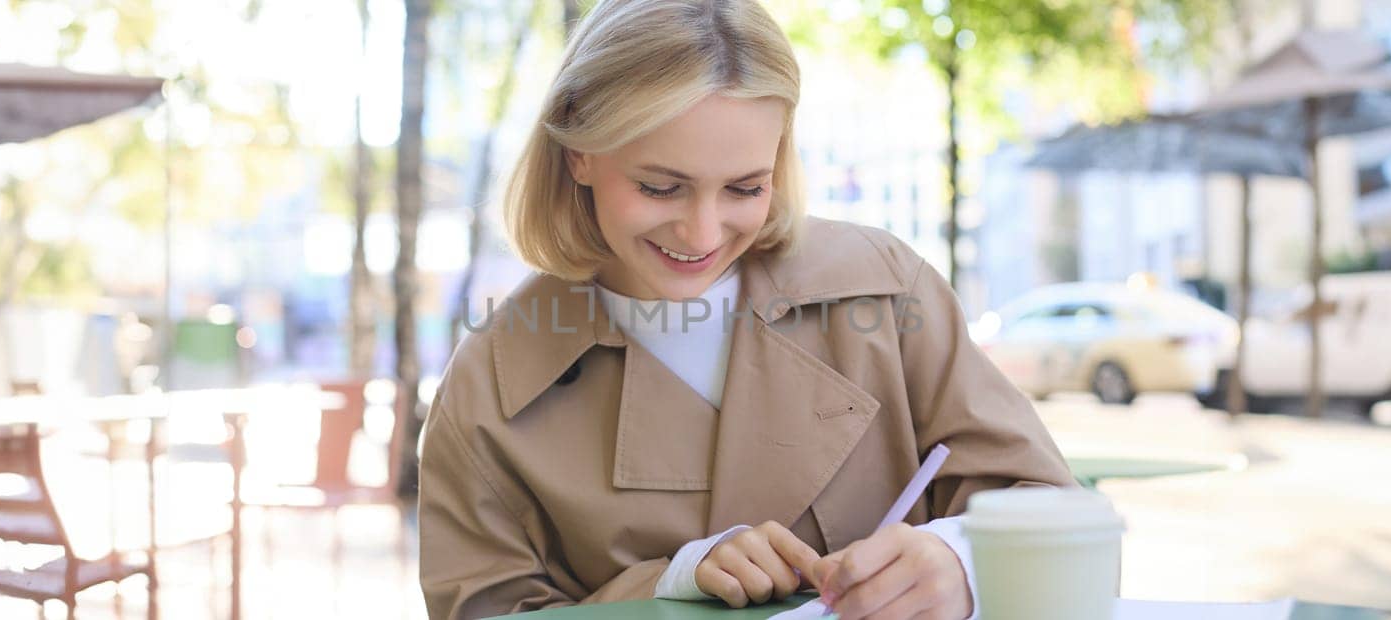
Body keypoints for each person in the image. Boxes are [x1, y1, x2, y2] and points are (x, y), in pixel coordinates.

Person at [415, 1, 1076, 619]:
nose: (703, 235)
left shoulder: (887, 292)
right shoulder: (489, 388)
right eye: (660, 187)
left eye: (744, 188)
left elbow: (1054, 508)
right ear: (578, 154)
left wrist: (962, 562)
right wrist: (672, 582)